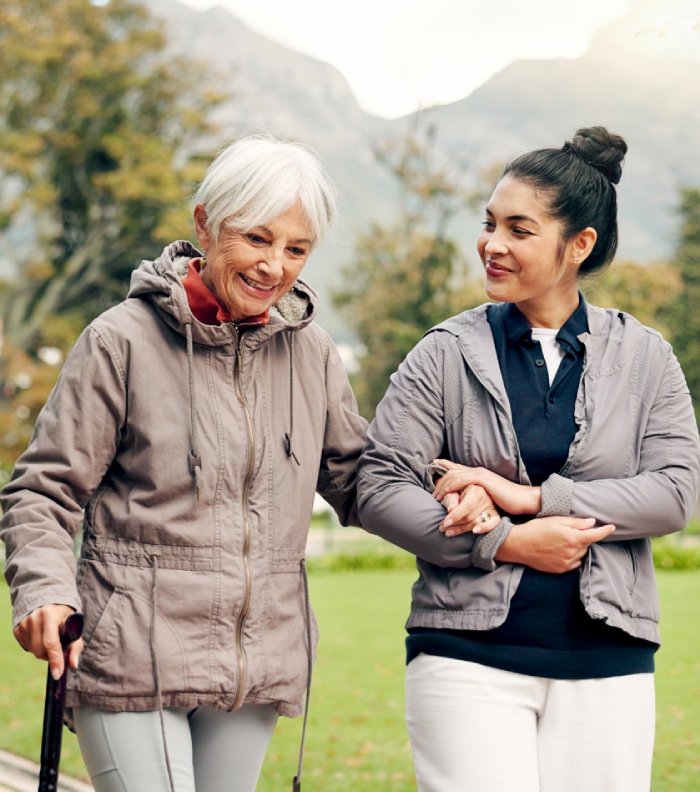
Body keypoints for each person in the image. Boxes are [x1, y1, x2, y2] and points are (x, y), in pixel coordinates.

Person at [0, 134, 369, 792]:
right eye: (257, 238)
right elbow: (42, 491)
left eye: (297, 248)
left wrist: (448, 483)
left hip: (256, 663)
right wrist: (44, 589)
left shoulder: (311, 353)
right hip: (133, 652)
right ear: (205, 223)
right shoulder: (121, 341)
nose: (275, 266)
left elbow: (356, 477)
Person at [357, 126, 700, 792]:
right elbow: (377, 485)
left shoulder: (645, 356)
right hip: (465, 658)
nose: (492, 244)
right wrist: (508, 542)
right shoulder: (444, 352)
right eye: (489, 225)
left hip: (610, 661)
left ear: (579, 245)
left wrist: (535, 499)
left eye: (518, 229)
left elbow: (675, 493)